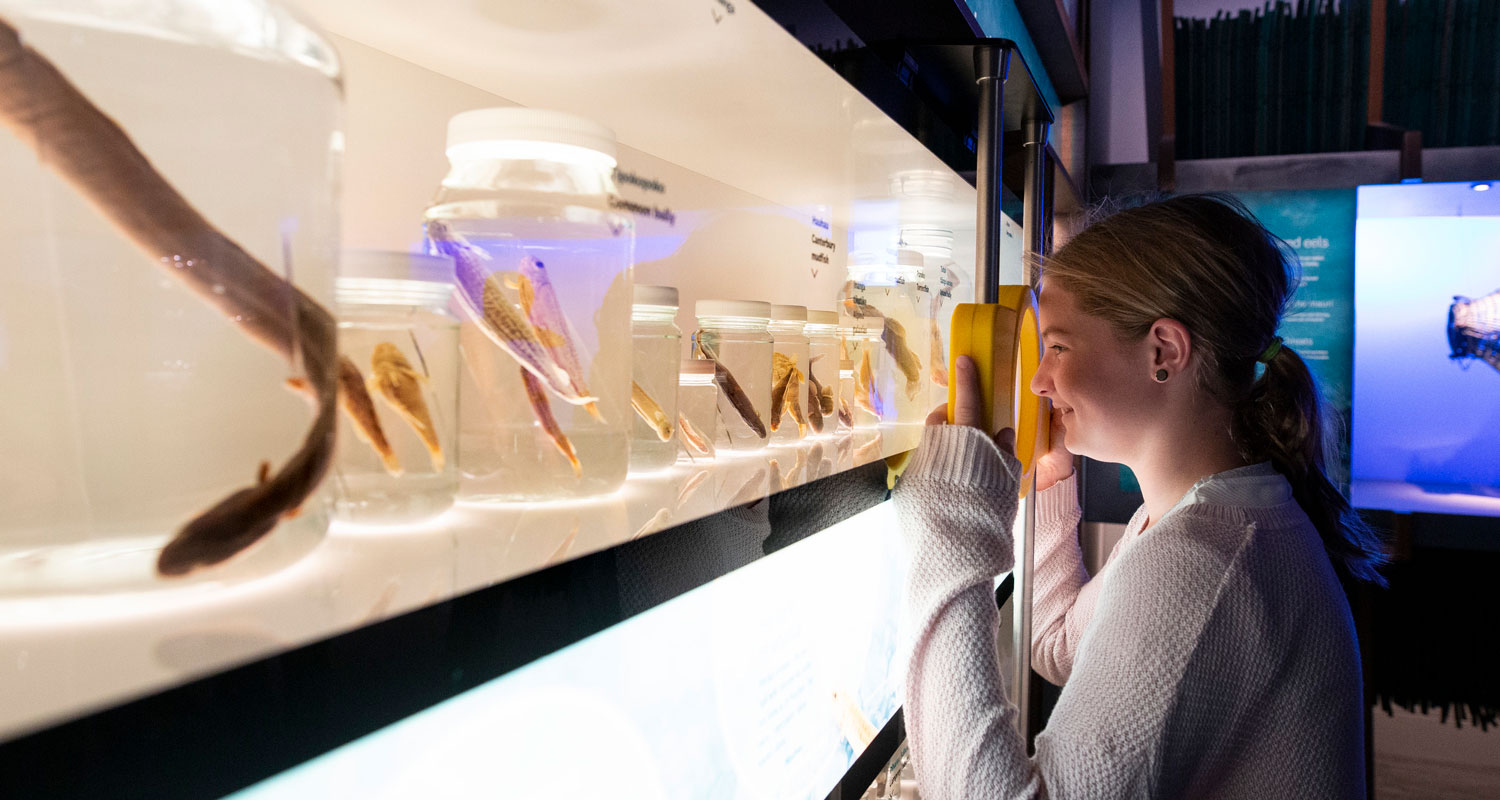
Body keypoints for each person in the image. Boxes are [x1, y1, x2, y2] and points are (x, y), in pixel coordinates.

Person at [893, 194, 1384, 799]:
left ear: (1164, 352)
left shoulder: (1203, 562)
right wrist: (1051, 482)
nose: (1041, 380)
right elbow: (1059, 647)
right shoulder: (1198, 519)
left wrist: (950, 522)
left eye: (1059, 346)